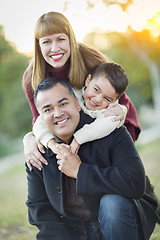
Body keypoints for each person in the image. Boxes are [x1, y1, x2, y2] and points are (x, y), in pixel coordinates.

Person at [25, 77, 159, 240]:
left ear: (76, 102)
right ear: (40, 116)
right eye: (48, 109)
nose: (58, 113)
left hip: (119, 223)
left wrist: (79, 171)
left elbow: (135, 182)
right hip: (76, 233)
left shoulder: (111, 129)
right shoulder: (37, 152)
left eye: (63, 104)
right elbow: (41, 212)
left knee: (112, 204)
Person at [22, 11, 141, 171]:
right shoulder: (31, 78)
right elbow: (40, 119)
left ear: (70, 38)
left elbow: (117, 96)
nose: (54, 48)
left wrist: (121, 109)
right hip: (78, 137)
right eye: (46, 42)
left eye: (61, 39)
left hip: (111, 126)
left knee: (113, 177)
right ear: (38, 45)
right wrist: (28, 138)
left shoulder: (91, 61)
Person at [33, 62, 129, 157]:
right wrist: (52, 145)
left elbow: (107, 124)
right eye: (96, 90)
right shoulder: (73, 95)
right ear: (88, 80)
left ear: (115, 101)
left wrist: (77, 140)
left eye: (107, 99)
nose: (98, 99)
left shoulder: (111, 110)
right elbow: (39, 124)